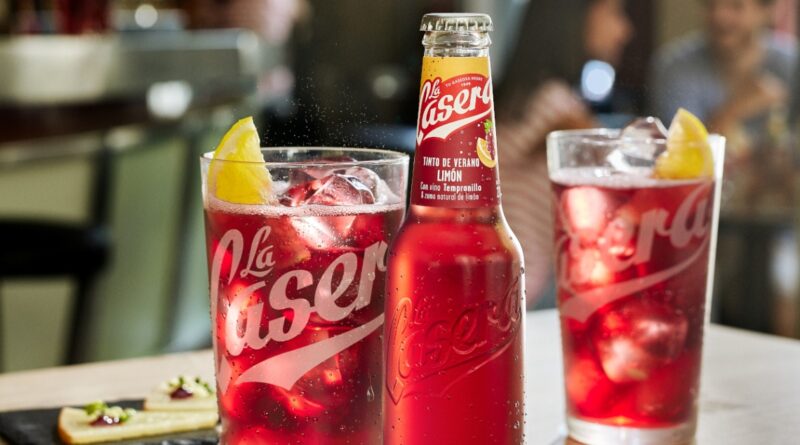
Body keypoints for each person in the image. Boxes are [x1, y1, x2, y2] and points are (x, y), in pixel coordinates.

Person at [496, 0, 632, 308]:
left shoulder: (512, 103)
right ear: (575, 17)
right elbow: (626, 189)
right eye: (615, 13)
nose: (624, 30)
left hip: (503, 282)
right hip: (530, 292)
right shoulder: (558, 110)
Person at [648, 0, 797, 143]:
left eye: (736, 6)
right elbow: (680, 150)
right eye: (711, 4)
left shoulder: (792, 63)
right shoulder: (675, 66)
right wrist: (735, 108)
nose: (718, 16)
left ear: (767, 11)